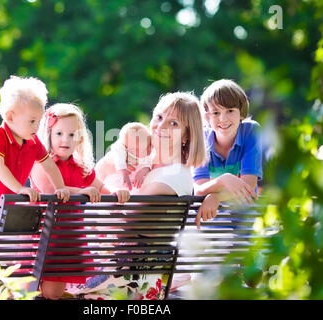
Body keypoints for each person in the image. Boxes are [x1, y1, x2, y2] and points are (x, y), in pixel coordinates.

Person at [66, 91, 207, 300]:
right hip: (120, 270)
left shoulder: (174, 174)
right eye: (159, 117)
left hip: (129, 279)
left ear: (187, 135)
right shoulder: (145, 164)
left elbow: (125, 223)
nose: (160, 126)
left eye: (174, 123)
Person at [0, 76, 70, 300]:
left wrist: (61, 187)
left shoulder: (33, 143)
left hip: (3, 208)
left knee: (1, 251)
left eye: (39, 122)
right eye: (31, 121)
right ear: (10, 116)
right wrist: (20, 187)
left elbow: (48, 164)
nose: (36, 127)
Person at [29, 102, 130, 299]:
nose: (65, 139)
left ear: (80, 139)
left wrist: (117, 192)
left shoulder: (80, 167)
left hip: (68, 238)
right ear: (48, 135)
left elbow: (101, 187)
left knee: (54, 293)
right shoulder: (42, 164)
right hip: (46, 237)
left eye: (71, 135)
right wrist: (84, 191)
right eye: (59, 134)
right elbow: (52, 190)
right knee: (39, 290)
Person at [193, 79, 262, 228]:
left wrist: (216, 196)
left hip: (245, 222)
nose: (223, 119)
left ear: (241, 112)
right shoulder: (201, 138)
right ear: (207, 117)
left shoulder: (251, 132)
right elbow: (198, 189)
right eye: (216, 112)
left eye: (230, 111)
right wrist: (223, 180)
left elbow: (248, 188)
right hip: (212, 221)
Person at [95, 122, 153, 191]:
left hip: (132, 184)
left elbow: (151, 159)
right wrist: (124, 173)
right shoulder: (120, 148)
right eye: (138, 149)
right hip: (112, 177)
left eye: (149, 145)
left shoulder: (150, 148)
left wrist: (146, 168)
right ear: (127, 147)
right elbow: (119, 160)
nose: (148, 151)